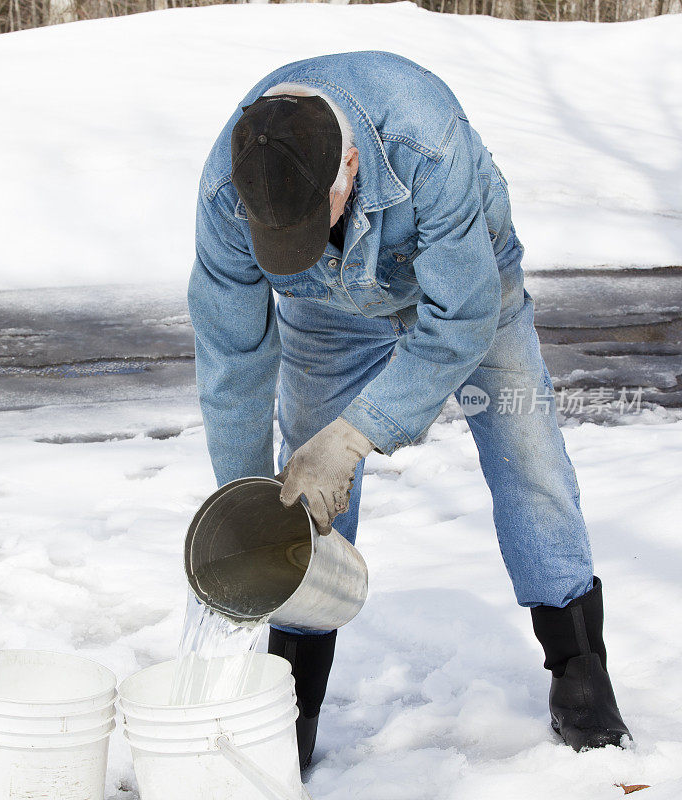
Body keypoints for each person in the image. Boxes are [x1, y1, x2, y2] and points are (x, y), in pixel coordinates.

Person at [187, 51, 631, 768]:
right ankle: (291, 703)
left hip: (464, 287)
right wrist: (247, 512)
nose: (296, 245)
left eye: (310, 222)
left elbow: (461, 319)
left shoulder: (426, 138)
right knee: (302, 485)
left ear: (350, 169)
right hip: (327, 314)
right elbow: (233, 357)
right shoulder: (227, 190)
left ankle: (579, 670)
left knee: (528, 457)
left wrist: (360, 432)